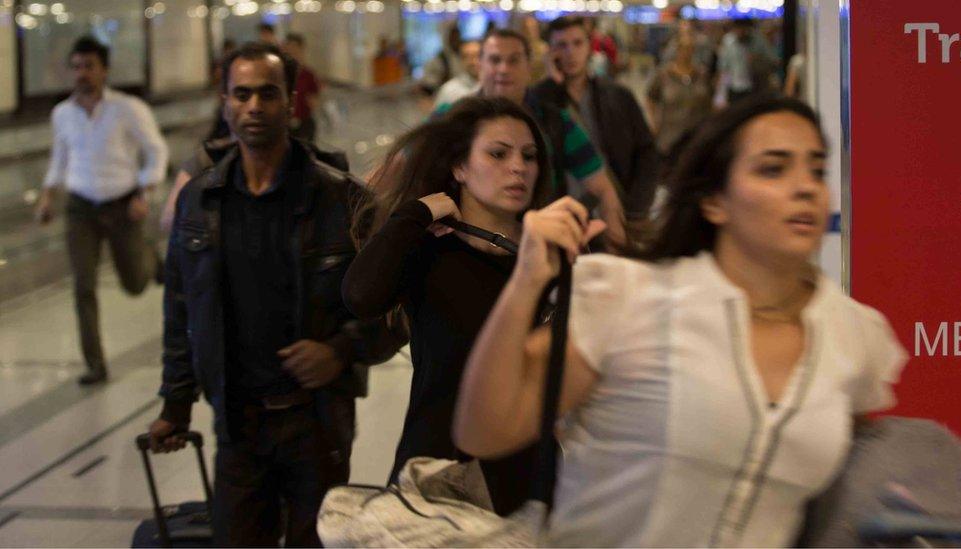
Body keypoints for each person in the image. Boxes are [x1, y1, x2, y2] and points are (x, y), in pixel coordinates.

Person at [454, 95, 908, 546]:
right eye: (773, 168)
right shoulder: (632, 300)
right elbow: (485, 430)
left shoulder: (852, 334)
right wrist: (527, 282)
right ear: (714, 202)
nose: (806, 186)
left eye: (817, 169)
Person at [147, 42, 403, 547]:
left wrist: (340, 351)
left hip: (317, 423)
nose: (254, 107)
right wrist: (175, 404)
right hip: (237, 423)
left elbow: (395, 310)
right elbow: (181, 310)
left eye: (268, 94)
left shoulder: (342, 199)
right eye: (241, 95)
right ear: (224, 104)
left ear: (291, 103)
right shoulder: (201, 202)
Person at [342, 97, 592, 516]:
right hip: (439, 473)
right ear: (459, 167)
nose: (518, 167)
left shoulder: (550, 256)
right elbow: (360, 296)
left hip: (530, 478)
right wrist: (417, 213)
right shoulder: (433, 249)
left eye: (529, 156)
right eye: (498, 153)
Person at [35, 36, 168, 386]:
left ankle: (151, 261)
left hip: (122, 205)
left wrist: (146, 191)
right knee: (83, 285)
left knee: (135, 284)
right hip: (81, 209)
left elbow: (156, 151)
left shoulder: (128, 108)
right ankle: (95, 363)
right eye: (76, 67)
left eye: (89, 66)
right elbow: (59, 159)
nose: (82, 73)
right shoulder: (62, 114)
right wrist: (48, 196)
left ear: (104, 70)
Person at [437, 29, 626, 247]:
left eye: (514, 60)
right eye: (495, 59)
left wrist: (618, 253)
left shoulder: (556, 121)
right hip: (463, 246)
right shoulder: (449, 117)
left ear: (529, 67)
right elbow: (407, 168)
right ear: (480, 65)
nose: (503, 69)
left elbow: (602, 187)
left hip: (540, 243)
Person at [533, 16, 659, 221]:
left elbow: (646, 152)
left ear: (589, 47)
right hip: (563, 212)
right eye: (561, 45)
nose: (570, 52)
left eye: (577, 43)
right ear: (550, 52)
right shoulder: (541, 100)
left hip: (617, 207)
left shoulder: (618, 96)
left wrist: (637, 207)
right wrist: (553, 85)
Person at [647, 34, 713, 163]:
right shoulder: (663, 75)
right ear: (677, 51)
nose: (687, 52)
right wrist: (653, 121)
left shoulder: (702, 74)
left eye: (690, 48)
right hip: (670, 138)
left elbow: (710, 100)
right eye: (683, 48)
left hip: (696, 138)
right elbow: (651, 98)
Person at [717, 18, 779, 105]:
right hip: (734, 87)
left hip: (754, 87)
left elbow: (773, 61)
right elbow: (724, 68)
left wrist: (758, 59)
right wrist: (720, 95)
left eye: (744, 29)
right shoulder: (728, 41)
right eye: (738, 29)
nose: (741, 32)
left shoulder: (758, 41)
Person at [282, 33, 321, 143]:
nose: (292, 55)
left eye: (295, 51)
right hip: (285, 125)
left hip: (304, 124)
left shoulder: (309, 75)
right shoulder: (280, 75)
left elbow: (314, 101)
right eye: (289, 51)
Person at [432, 40, 481, 109]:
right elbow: (437, 118)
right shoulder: (448, 90)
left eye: (477, 55)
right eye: (466, 56)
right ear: (460, 60)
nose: (472, 61)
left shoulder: (495, 87)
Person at [419, 24, 463, 97]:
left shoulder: (462, 55)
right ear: (448, 38)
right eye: (453, 37)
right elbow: (426, 80)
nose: (456, 40)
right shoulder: (441, 58)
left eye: (457, 36)